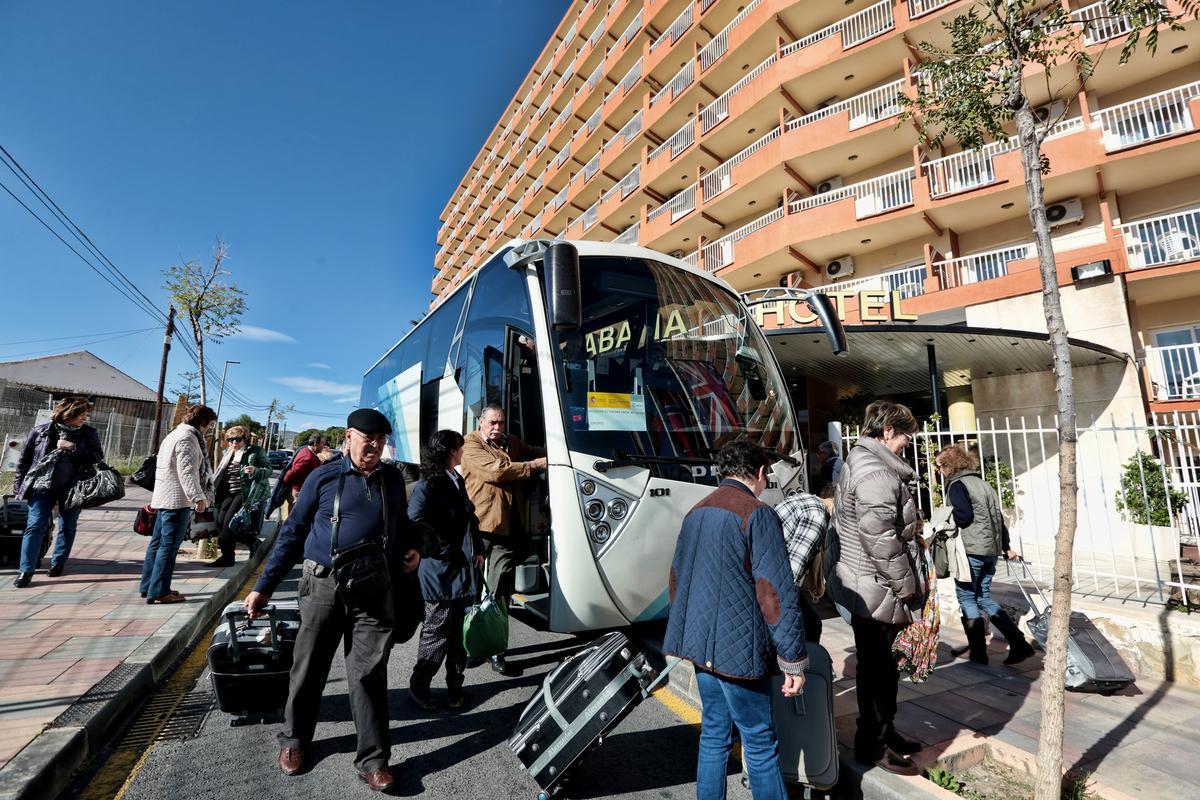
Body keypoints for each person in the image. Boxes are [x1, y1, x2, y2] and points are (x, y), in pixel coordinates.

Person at [244, 408, 422, 791]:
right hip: (324, 587)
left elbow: (404, 525)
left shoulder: (392, 479)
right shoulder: (323, 477)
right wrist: (264, 586)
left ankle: (373, 759)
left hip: (374, 590)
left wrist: (415, 547)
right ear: (348, 437)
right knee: (308, 669)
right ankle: (294, 741)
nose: (374, 445)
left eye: (380, 439)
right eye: (366, 438)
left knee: (369, 674)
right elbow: (293, 532)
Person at [664, 441, 808, 800]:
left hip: (700, 644)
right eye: (767, 476)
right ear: (759, 473)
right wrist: (793, 659)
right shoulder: (757, 513)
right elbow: (774, 593)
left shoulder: (696, 511)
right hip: (739, 650)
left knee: (714, 733)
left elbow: (677, 579)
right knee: (759, 740)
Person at [829, 400, 926, 776]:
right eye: (904, 437)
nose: (906, 444)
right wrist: (910, 588)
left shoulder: (862, 461)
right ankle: (873, 744)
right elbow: (881, 540)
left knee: (879, 668)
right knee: (878, 671)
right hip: (875, 587)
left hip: (864, 583)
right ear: (887, 432)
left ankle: (884, 731)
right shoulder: (877, 475)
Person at [460, 403, 546, 675]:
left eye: (501, 423)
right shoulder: (470, 444)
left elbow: (537, 452)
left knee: (500, 592)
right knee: (472, 591)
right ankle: (471, 645)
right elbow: (497, 471)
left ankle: (496, 649)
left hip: (507, 530)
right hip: (479, 527)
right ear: (481, 423)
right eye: (493, 423)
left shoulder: (512, 443)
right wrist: (535, 465)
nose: (498, 428)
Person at [407, 430, 485, 711]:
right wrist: (440, 549)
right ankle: (420, 686)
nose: (463, 452)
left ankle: (455, 685)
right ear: (452, 451)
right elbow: (413, 523)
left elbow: (470, 517)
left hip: (462, 569)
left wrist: (478, 547)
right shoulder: (428, 486)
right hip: (439, 571)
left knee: (459, 632)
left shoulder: (456, 480)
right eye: (460, 448)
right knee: (437, 631)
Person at [936, 444, 1035, 666]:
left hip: (971, 550)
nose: (940, 471)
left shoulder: (956, 485)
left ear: (950, 466)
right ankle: (1018, 643)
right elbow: (998, 518)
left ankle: (979, 653)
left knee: (967, 597)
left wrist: (944, 519)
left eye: (941, 466)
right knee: (983, 597)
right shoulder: (983, 484)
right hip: (990, 550)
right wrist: (1006, 546)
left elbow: (964, 516)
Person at [11, 397, 104, 587]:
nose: (84, 418)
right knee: (35, 525)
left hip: (74, 487)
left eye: (86, 415)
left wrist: (73, 447)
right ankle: (25, 571)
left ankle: (58, 562)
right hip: (41, 486)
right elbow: (24, 461)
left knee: (68, 525)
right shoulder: (41, 431)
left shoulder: (88, 433)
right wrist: (18, 488)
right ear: (67, 414)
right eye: (81, 415)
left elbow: (97, 457)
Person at [141, 404, 216, 604]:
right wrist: (198, 497)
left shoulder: (174, 434)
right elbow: (187, 471)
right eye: (209, 425)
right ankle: (158, 591)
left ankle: (149, 586)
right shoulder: (188, 438)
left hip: (164, 497)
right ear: (202, 423)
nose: (209, 429)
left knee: (157, 544)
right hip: (176, 500)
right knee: (168, 547)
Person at [775, 487, 833, 644]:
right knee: (811, 626)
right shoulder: (816, 516)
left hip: (766, 577)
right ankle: (805, 667)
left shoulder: (804, 498)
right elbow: (792, 573)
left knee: (811, 622)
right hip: (773, 585)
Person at [208, 425, 270, 567]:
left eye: (238, 439)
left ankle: (228, 557)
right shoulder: (228, 452)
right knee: (219, 521)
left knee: (229, 523)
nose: (234, 443)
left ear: (245, 439)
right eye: (231, 439)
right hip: (228, 492)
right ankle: (252, 541)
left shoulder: (255, 451)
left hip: (245, 492)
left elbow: (268, 469)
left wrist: (255, 470)